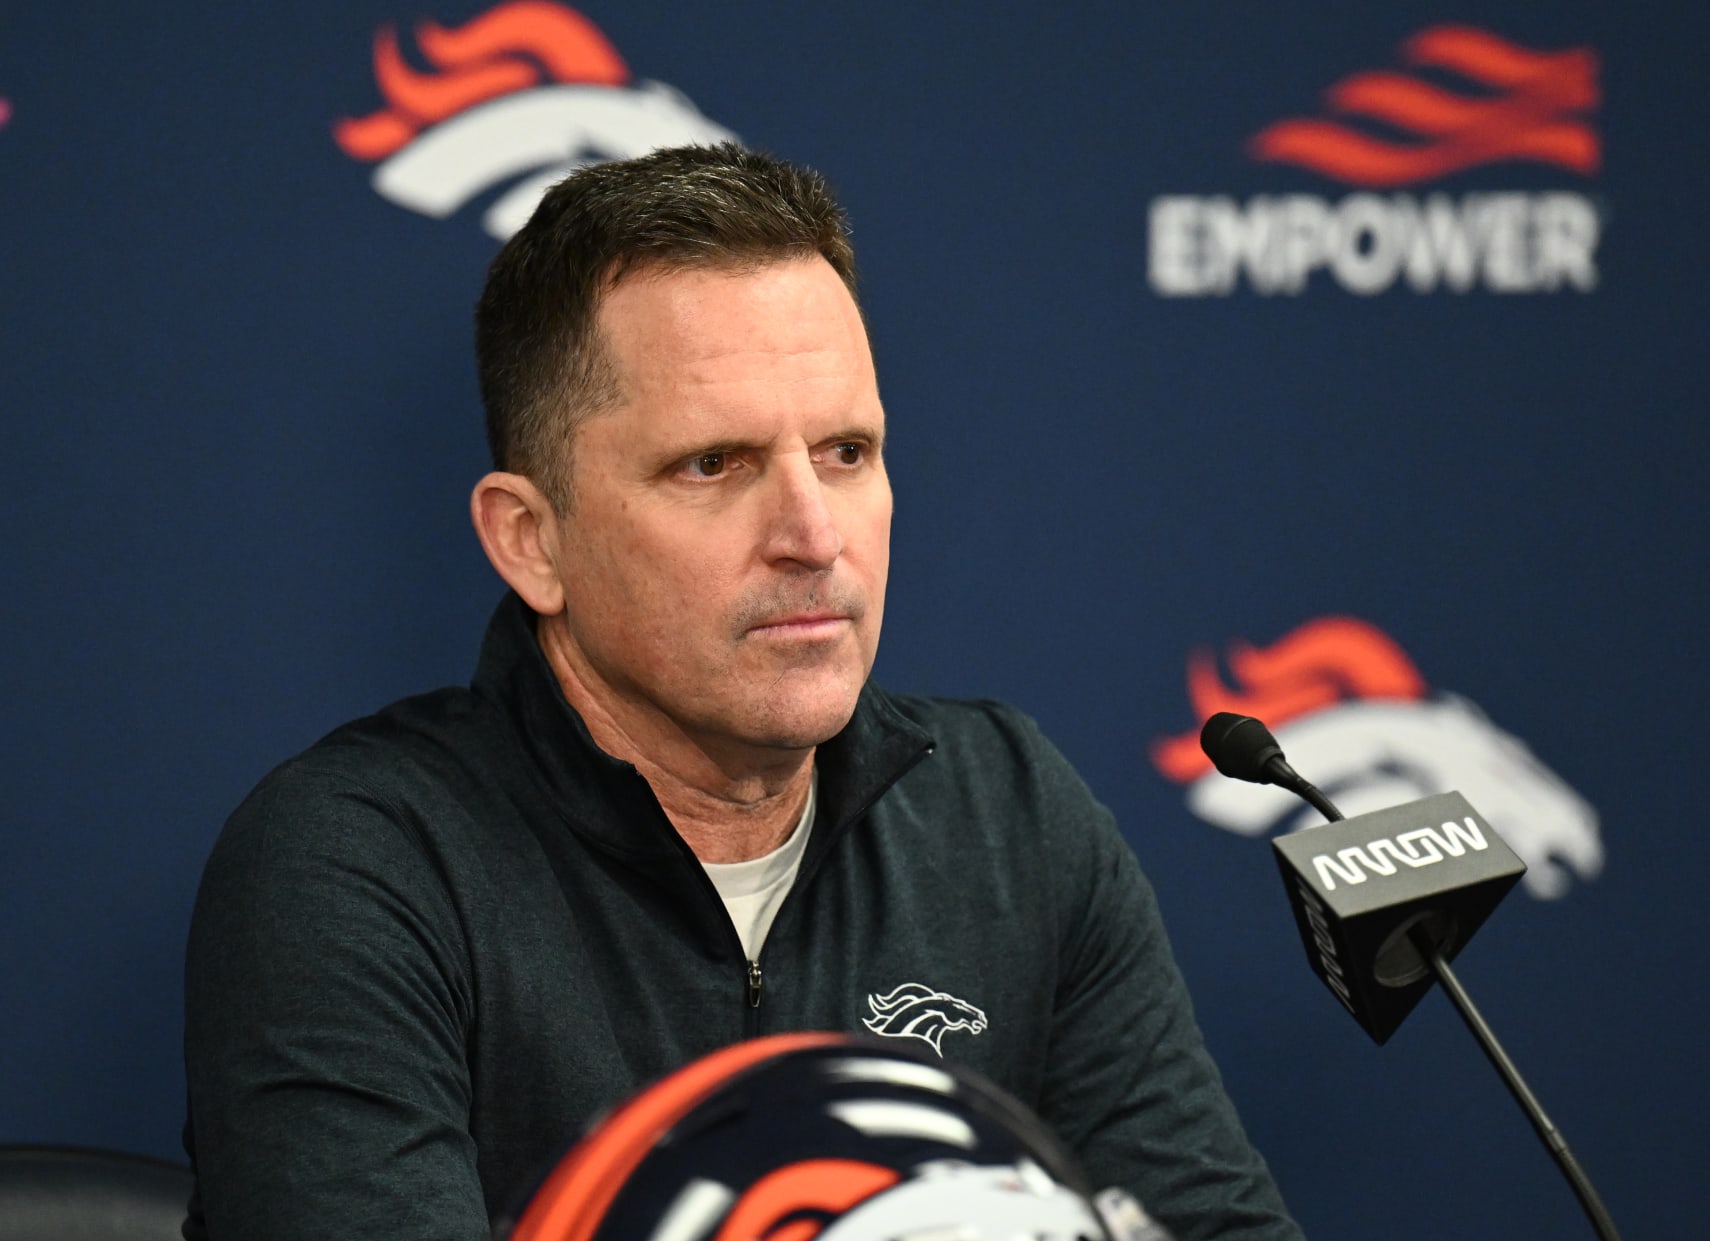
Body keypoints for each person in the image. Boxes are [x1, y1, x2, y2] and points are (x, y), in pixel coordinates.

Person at [182, 143, 1303, 1240]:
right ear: (531, 540)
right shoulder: (359, 865)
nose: (814, 535)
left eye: (847, 451)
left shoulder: (1007, 813)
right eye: (713, 464)